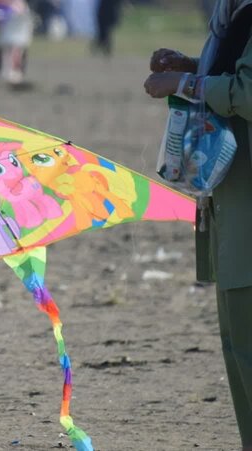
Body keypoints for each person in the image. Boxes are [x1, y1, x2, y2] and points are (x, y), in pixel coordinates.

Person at [144, 1, 252, 449]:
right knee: (237, 346)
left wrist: (188, 82)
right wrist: (193, 65)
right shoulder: (234, 10)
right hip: (231, 204)